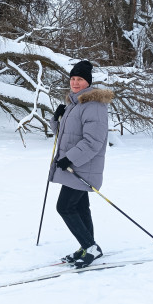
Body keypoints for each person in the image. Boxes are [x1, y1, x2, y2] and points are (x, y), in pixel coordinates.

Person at [48, 60, 113, 268]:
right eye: (73, 78)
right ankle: (88, 246)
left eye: (80, 79)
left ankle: (90, 247)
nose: (75, 83)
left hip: (82, 166)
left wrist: (70, 158)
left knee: (65, 207)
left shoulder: (93, 106)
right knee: (80, 206)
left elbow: (93, 141)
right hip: (74, 165)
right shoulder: (75, 104)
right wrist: (57, 119)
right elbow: (65, 135)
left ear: (88, 82)